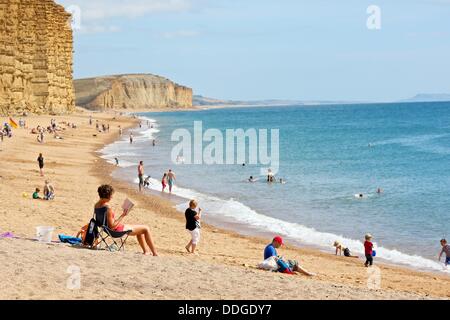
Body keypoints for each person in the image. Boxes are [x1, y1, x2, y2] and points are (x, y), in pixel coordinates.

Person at [95, 184, 158, 256]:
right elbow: (112, 226)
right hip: (115, 231)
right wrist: (123, 215)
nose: (112, 197)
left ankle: (146, 251)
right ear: (108, 195)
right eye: (111, 195)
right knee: (146, 228)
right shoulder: (108, 208)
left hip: (106, 230)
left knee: (139, 229)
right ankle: (155, 253)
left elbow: (106, 222)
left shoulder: (97, 205)